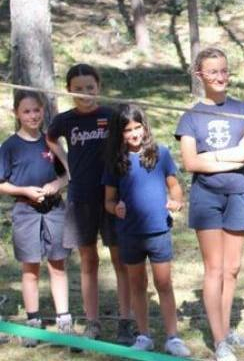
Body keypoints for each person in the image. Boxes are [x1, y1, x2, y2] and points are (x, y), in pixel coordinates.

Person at [175, 47, 244, 361]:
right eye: (213, 72)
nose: (221, 77)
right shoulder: (191, 116)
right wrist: (228, 157)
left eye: (224, 70)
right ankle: (220, 340)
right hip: (206, 198)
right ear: (200, 76)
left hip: (236, 194)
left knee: (233, 267)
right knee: (214, 268)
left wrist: (212, 156)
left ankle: (227, 330)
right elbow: (190, 163)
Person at [46, 63, 135, 344]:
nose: (85, 93)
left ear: (99, 88)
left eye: (90, 88)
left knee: (120, 260)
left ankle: (125, 320)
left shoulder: (111, 116)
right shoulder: (64, 120)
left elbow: (129, 142)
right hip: (81, 197)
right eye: (79, 89)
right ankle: (92, 321)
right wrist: (67, 166)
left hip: (110, 196)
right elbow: (50, 139)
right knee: (88, 260)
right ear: (69, 90)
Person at [103, 104, 191, 357]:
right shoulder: (115, 161)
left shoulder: (160, 153)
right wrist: (115, 207)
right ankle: (144, 335)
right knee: (137, 284)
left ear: (145, 127)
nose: (133, 134)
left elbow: (174, 187)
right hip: (129, 233)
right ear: (120, 133)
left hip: (158, 231)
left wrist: (176, 200)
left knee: (163, 283)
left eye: (137, 127)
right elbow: (108, 200)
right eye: (127, 130)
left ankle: (172, 337)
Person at [0, 92, 73, 347]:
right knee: (30, 267)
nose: (32, 116)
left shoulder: (51, 142)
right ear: (16, 114)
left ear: (43, 111)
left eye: (36, 110)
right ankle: (33, 321)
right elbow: (1, 184)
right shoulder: (9, 147)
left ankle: (64, 319)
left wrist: (57, 183)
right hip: (25, 211)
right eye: (26, 111)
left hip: (54, 210)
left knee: (57, 264)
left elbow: (68, 174)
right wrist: (24, 191)